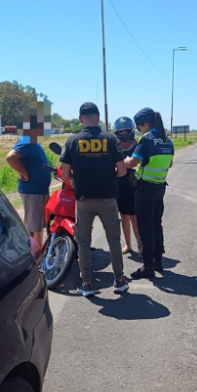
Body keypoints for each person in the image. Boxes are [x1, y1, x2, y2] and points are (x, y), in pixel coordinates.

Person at [60, 102, 129, 296]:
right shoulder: (111, 139)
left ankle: (87, 284)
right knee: (114, 240)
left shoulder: (72, 141)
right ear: (98, 118)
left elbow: (65, 174)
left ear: (81, 119)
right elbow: (122, 171)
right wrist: (107, 177)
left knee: (83, 242)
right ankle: (119, 280)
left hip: (84, 199)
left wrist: (78, 178)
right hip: (108, 199)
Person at [124, 107, 175, 280]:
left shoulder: (146, 140)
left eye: (139, 127)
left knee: (144, 227)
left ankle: (147, 266)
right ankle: (158, 261)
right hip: (160, 187)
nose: (139, 130)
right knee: (156, 224)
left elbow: (132, 163)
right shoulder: (167, 140)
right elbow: (169, 165)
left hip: (145, 189)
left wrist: (123, 160)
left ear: (146, 124)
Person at [5, 104, 52, 248]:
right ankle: (37, 257)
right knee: (35, 225)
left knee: (39, 223)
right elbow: (11, 157)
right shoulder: (26, 141)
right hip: (32, 191)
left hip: (40, 189)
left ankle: (39, 251)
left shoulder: (34, 142)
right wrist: (24, 172)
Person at [113, 116, 142, 256]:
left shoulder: (138, 147)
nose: (124, 133)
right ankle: (128, 245)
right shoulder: (116, 148)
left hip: (135, 185)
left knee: (135, 217)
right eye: (121, 131)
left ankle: (140, 244)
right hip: (120, 186)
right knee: (124, 216)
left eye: (126, 131)